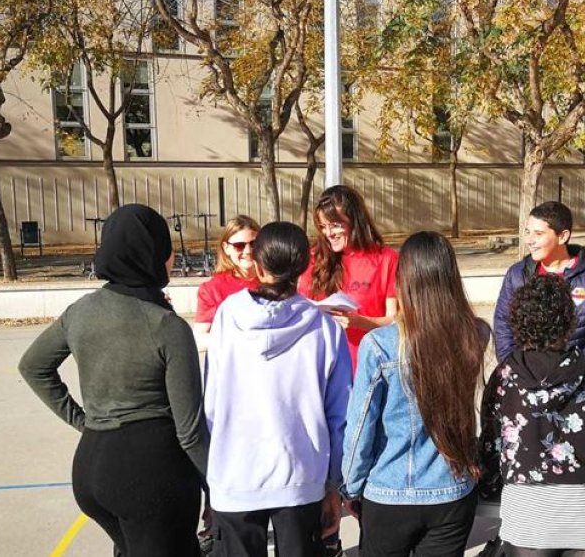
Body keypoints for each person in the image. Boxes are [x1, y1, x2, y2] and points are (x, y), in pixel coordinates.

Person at [18, 204, 207, 557]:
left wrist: (84, 421)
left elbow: (33, 366)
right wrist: (219, 488)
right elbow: (190, 430)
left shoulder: (81, 311)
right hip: (150, 474)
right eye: (169, 250)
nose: (173, 258)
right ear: (152, 254)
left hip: (92, 467)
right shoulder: (167, 326)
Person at [205, 221, 351, 557]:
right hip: (301, 473)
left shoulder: (229, 315)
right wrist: (334, 484)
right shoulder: (325, 328)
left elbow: (211, 400)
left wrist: (213, 474)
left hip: (236, 470)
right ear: (303, 266)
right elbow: (339, 414)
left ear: (257, 262)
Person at [342, 231, 486, 557]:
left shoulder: (379, 344)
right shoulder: (476, 334)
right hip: (452, 489)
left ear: (404, 279)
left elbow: (361, 425)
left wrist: (351, 486)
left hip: (389, 491)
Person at [480, 275, 585, 557]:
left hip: (526, 516)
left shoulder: (505, 378)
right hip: (584, 512)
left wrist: (489, 484)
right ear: (570, 320)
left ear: (518, 322)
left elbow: (491, 443)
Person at [492, 201, 585, 367]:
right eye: (527, 232)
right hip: (525, 375)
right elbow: (503, 325)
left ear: (563, 236)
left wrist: (579, 375)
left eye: (538, 234)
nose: (530, 240)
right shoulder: (517, 275)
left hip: (576, 377)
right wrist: (516, 368)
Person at [299, 185, 398, 367]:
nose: (328, 233)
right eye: (323, 226)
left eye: (335, 225)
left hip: (367, 365)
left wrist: (358, 321)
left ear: (355, 221)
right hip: (321, 364)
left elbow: (394, 321)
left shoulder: (386, 259)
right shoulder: (313, 258)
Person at [193, 215, 261, 343]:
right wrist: (238, 342)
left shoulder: (273, 281)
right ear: (226, 248)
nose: (248, 251)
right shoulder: (212, 289)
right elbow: (200, 335)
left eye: (254, 243)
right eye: (239, 245)